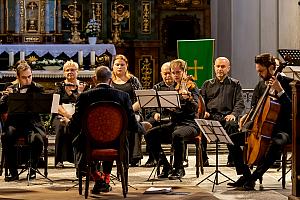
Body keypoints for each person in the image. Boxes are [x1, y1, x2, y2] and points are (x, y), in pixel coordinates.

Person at [68, 66, 140, 194]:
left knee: (77, 141)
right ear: (110, 80)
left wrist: (69, 125)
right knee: (116, 137)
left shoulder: (84, 96)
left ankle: (97, 177)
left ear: (94, 79)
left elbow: (76, 122)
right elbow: (132, 122)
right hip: (116, 143)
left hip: (90, 143)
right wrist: (142, 128)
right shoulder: (122, 96)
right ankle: (105, 180)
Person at [227, 53, 292, 190]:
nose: (259, 74)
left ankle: (254, 177)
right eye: (258, 71)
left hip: (282, 129)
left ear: (272, 68)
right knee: (230, 140)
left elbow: (292, 108)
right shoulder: (261, 85)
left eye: (261, 71)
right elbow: (255, 105)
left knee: (276, 143)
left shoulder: (287, 83)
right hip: (260, 127)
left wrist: (280, 90)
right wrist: (247, 115)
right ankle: (246, 174)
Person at [145, 58, 200, 180]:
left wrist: (188, 99)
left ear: (184, 72)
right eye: (173, 72)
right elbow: (168, 109)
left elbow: (195, 108)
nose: (175, 75)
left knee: (177, 134)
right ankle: (165, 165)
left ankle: (179, 168)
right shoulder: (172, 88)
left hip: (190, 125)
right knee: (149, 134)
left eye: (178, 72)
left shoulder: (192, 87)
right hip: (174, 123)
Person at [0, 61, 46, 181]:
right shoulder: (10, 89)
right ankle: (13, 172)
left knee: (37, 139)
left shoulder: (38, 88)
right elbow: (1, 108)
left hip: (32, 124)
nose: (27, 80)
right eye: (24, 77)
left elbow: (43, 108)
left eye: (29, 76)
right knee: (7, 136)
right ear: (18, 77)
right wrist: (6, 97)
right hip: (14, 123)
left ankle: (32, 169)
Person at [201, 57, 245, 166]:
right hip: (211, 116)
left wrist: (233, 114)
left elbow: (240, 103)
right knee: (200, 124)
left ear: (228, 68)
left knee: (232, 125)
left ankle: (232, 158)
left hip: (227, 117)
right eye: (218, 66)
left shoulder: (235, 84)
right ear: (214, 67)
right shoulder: (207, 84)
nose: (220, 69)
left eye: (223, 66)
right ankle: (203, 158)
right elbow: (201, 102)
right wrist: (204, 111)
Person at [111, 54, 147, 166]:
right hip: (113, 113)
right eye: (117, 65)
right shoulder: (109, 81)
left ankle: (134, 157)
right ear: (113, 66)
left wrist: (128, 111)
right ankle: (115, 154)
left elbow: (141, 99)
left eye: (122, 65)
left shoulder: (133, 80)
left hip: (132, 111)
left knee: (134, 121)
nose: (119, 67)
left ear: (127, 66)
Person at [52, 60, 88, 168]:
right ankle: (59, 160)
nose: (70, 72)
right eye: (67, 70)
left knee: (80, 127)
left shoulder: (83, 86)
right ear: (64, 72)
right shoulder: (59, 86)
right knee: (61, 126)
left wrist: (79, 93)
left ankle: (78, 159)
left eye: (72, 70)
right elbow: (55, 105)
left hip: (78, 116)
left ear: (77, 72)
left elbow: (85, 104)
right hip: (61, 115)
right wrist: (67, 116)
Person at [143, 61, 175, 167]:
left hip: (172, 117)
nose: (167, 76)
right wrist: (154, 113)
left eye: (169, 73)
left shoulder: (179, 87)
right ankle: (154, 157)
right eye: (165, 73)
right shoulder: (157, 87)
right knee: (148, 125)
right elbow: (150, 107)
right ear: (161, 74)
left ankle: (171, 158)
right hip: (159, 116)